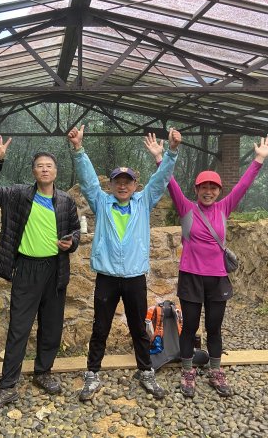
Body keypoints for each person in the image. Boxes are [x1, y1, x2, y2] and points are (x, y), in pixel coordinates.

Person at [144, 134, 268, 398]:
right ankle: (188, 371)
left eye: (213, 188)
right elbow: (170, 183)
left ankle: (215, 369)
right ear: (196, 190)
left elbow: (244, 185)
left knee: (214, 327)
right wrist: (160, 157)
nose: (208, 191)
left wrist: (259, 159)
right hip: (191, 276)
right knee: (190, 327)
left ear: (219, 191)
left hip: (217, 278)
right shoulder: (186, 208)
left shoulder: (225, 208)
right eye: (203, 187)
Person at [67, 125, 182, 401]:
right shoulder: (101, 202)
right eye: (118, 181)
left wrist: (172, 152)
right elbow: (87, 182)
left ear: (134, 185)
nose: (122, 185)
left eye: (127, 181)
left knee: (138, 328)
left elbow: (161, 180)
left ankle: (146, 372)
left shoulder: (143, 202)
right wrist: (79, 150)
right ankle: (92, 374)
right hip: (107, 277)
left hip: (134, 278)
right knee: (100, 327)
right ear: (111, 185)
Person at [0, 136, 81, 413]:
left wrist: (72, 243)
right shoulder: (18, 195)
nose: (44, 169)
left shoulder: (66, 201)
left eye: (49, 165)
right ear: (33, 171)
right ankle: (7, 386)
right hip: (26, 268)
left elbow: (75, 230)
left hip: (56, 269)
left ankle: (43, 372)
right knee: (19, 329)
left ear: (56, 171)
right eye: (39, 166)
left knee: (51, 326)